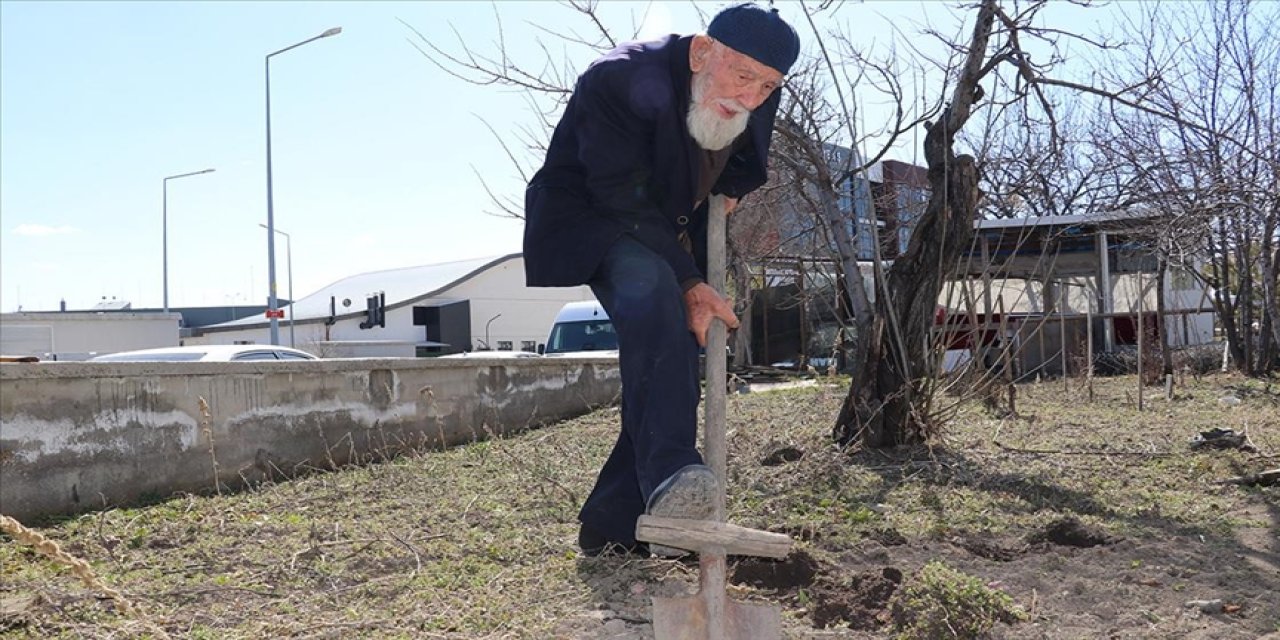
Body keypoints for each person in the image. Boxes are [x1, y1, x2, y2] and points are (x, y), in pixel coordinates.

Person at [523, 3, 800, 556]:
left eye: (767, 86)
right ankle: (674, 471)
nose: (751, 97)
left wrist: (732, 187)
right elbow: (617, 193)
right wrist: (691, 281)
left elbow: (749, 154)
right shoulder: (619, 78)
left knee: (666, 362)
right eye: (743, 77)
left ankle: (611, 525)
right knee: (653, 292)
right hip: (594, 213)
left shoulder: (756, 87)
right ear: (702, 52)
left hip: (668, 222)